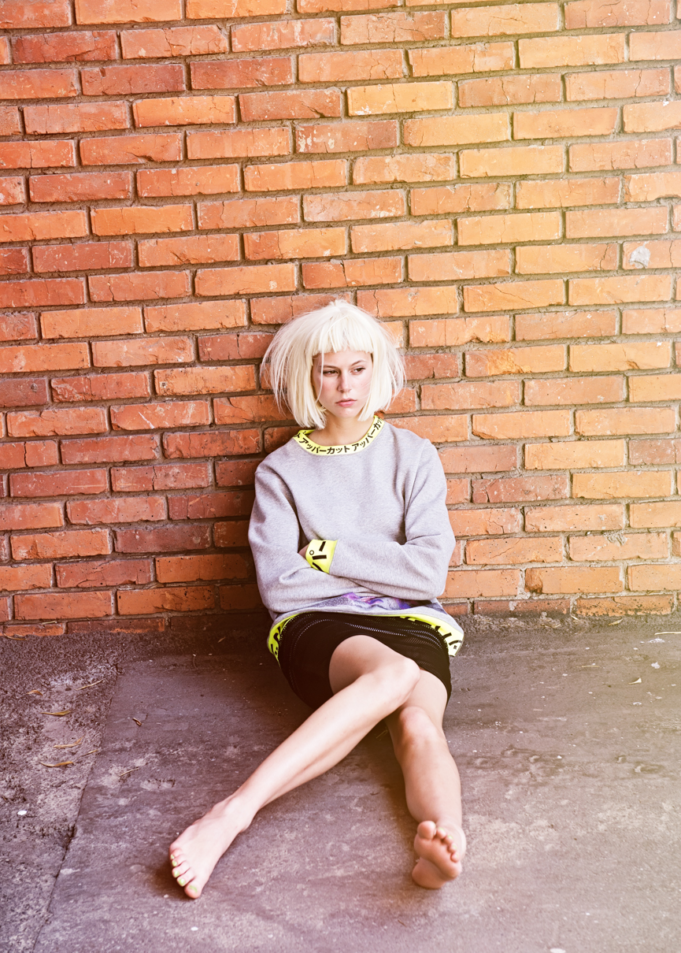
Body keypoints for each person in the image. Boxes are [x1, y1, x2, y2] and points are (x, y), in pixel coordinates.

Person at [169, 300, 465, 898]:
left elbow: (428, 573)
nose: (345, 385)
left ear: (376, 369)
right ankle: (232, 813)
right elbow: (281, 584)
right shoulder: (281, 471)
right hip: (318, 626)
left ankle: (444, 839)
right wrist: (386, 569)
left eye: (358, 369)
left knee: (418, 723)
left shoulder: (414, 457)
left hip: (412, 620)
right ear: (310, 377)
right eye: (330, 371)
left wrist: (330, 554)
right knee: (394, 676)